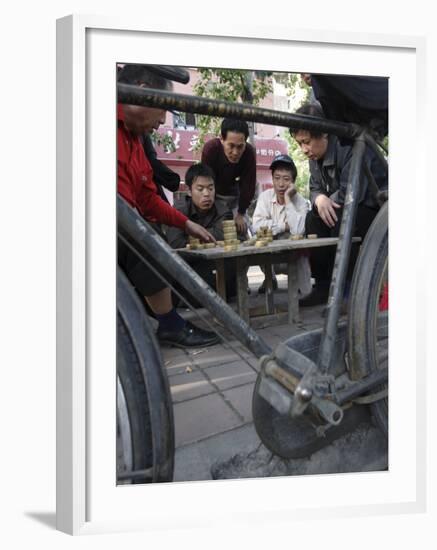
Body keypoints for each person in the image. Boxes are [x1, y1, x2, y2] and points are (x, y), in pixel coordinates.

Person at [117, 63, 219, 347]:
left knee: (144, 232)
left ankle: (166, 321)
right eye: (163, 109)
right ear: (143, 94)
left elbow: (148, 198)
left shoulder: (135, 141)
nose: (163, 121)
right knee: (138, 235)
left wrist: (186, 223)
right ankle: (165, 323)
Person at [289, 103, 388, 306]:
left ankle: (346, 290)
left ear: (324, 133)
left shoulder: (348, 145)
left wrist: (327, 200)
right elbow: (315, 188)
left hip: (373, 209)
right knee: (312, 219)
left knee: (343, 219)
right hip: (343, 204)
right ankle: (323, 286)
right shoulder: (313, 156)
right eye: (300, 144)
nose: (304, 149)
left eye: (306, 142)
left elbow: (353, 193)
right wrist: (318, 199)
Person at [166, 163, 237, 302]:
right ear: (189, 191)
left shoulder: (223, 210)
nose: (207, 194)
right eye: (200, 189)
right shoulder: (178, 212)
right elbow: (176, 244)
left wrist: (191, 237)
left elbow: (224, 238)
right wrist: (209, 237)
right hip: (190, 268)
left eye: (211, 188)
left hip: (216, 266)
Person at [252, 154, 312, 297]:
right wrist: (283, 226)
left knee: (300, 244)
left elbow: (298, 230)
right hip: (270, 258)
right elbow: (256, 226)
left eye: (286, 179)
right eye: (277, 178)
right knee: (259, 241)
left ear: (293, 182)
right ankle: (270, 279)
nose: (280, 184)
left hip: (293, 258)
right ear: (272, 178)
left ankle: (302, 287)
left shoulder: (302, 203)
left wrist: (287, 200)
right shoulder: (265, 197)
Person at [201, 118, 256, 236]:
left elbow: (248, 185)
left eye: (240, 147)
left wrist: (241, 214)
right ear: (221, 139)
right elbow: (205, 181)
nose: (235, 152)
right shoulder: (211, 149)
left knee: (241, 230)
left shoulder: (249, 153)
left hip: (235, 198)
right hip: (214, 196)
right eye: (231, 146)